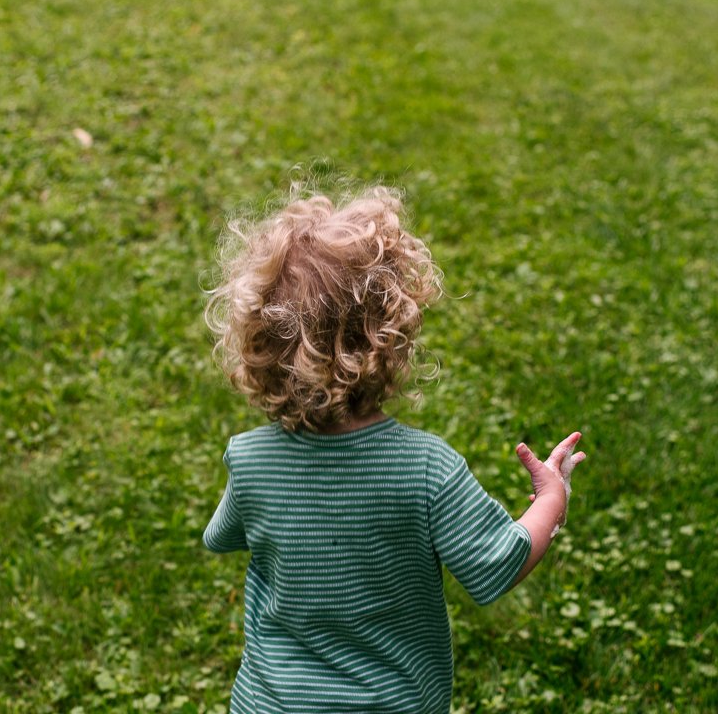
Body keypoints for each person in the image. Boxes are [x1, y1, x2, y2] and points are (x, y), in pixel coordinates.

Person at [201, 184, 587, 713]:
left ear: (260, 347)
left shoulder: (250, 460)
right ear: (390, 341)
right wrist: (551, 499)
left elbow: (221, 537)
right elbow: (497, 565)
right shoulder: (425, 468)